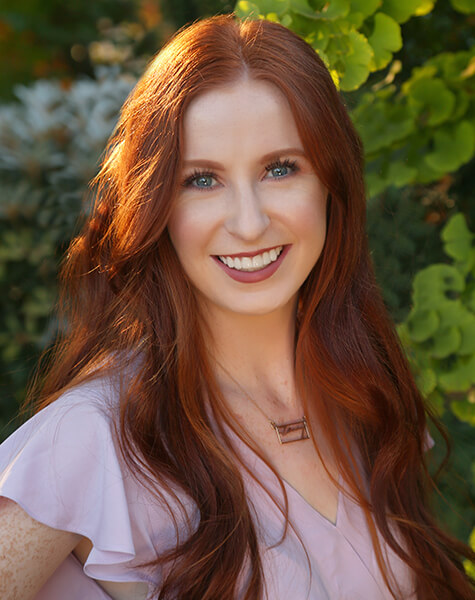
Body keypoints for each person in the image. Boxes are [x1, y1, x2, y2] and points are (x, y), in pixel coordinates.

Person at [0, 13, 473, 600]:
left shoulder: (363, 391)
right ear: (155, 206)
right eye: (202, 180)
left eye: (280, 168)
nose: (249, 223)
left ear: (331, 183)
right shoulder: (96, 436)